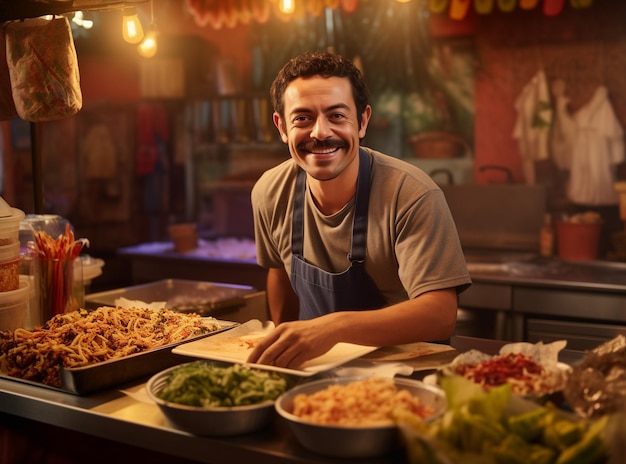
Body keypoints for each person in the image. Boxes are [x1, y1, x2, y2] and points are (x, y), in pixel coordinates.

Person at [247, 51, 471, 369]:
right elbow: (279, 272)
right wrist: (282, 357)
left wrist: (334, 328)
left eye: (337, 116)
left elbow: (440, 314)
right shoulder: (270, 192)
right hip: (316, 373)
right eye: (302, 118)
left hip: (406, 375)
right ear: (281, 126)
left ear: (362, 121)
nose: (320, 132)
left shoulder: (410, 193)